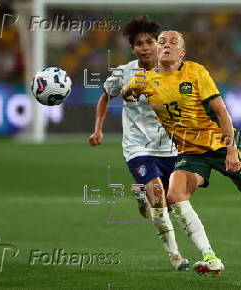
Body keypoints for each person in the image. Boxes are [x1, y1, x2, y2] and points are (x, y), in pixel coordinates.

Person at [122, 30, 241, 275]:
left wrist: (231, 151)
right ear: (157, 51)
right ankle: (210, 256)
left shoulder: (196, 72)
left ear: (182, 53)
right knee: (175, 195)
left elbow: (222, 112)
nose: (166, 45)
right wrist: (129, 93)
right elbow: (125, 92)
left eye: (173, 42)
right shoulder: (144, 80)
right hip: (190, 153)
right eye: (161, 42)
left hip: (220, 144)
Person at [88, 17, 189, 271]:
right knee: (159, 200)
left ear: (158, 44)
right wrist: (98, 129)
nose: (145, 47)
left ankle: (142, 196)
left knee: (168, 200)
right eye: (139, 44)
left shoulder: (174, 71)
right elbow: (104, 97)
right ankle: (176, 257)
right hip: (137, 148)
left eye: (149, 42)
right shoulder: (124, 73)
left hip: (169, 146)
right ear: (132, 48)